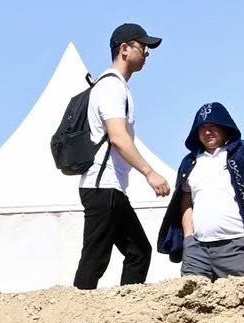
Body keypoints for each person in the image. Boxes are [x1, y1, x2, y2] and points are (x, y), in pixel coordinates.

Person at [73, 23, 171, 290]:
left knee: (138, 251)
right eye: (143, 47)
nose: (147, 53)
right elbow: (118, 137)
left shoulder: (116, 87)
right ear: (124, 49)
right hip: (102, 186)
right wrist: (150, 173)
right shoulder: (111, 87)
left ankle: (125, 306)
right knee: (96, 257)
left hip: (109, 187)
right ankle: (77, 310)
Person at [157, 103, 244, 278]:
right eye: (202, 128)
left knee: (243, 294)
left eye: (213, 127)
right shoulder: (190, 162)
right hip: (197, 250)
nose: (207, 132)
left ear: (225, 128)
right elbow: (186, 200)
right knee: (190, 294)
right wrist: (188, 238)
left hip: (237, 247)